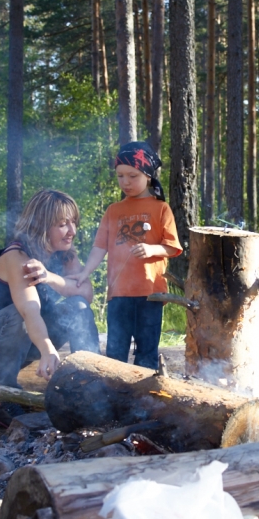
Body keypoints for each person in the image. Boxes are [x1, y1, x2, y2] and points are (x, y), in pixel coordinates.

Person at [0, 189, 100, 426]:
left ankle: (88, 387)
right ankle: (2, 398)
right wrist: (48, 349)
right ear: (41, 225)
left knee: (78, 307)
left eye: (73, 223)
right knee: (17, 315)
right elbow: (29, 310)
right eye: (62, 224)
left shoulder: (66, 255)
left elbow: (85, 294)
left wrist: (49, 276)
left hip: (31, 336)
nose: (72, 231)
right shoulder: (17, 257)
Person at [73, 142, 182, 369]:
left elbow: (172, 247)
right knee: (115, 352)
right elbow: (98, 248)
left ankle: (144, 401)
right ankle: (114, 400)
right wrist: (84, 272)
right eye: (120, 176)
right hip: (118, 294)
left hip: (151, 294)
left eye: (132, 175)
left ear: (148, 175)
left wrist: (152, 249)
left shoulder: (161, 208)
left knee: (146, 352)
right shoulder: (114, 210)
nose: (125, 182)